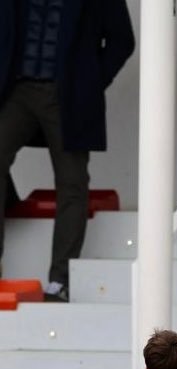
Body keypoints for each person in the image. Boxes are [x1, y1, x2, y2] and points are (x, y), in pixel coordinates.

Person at [0, 0, 135, 300]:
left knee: (72, 181)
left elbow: (122, 40)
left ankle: (59, 281)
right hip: (15, 91)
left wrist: (88, 82)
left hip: (67, 95)